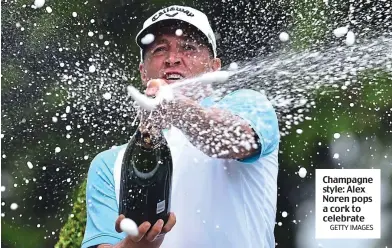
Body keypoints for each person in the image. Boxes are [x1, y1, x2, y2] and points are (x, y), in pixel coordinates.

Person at [82, 5, 280, 248]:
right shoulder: (110, 163)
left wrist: (176, 107)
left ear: (214, 67)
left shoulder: (248, 105)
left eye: (188, 47)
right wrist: (141, 244)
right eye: (160, 49)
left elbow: (230, 140)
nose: (173, 58)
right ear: (143, 72)